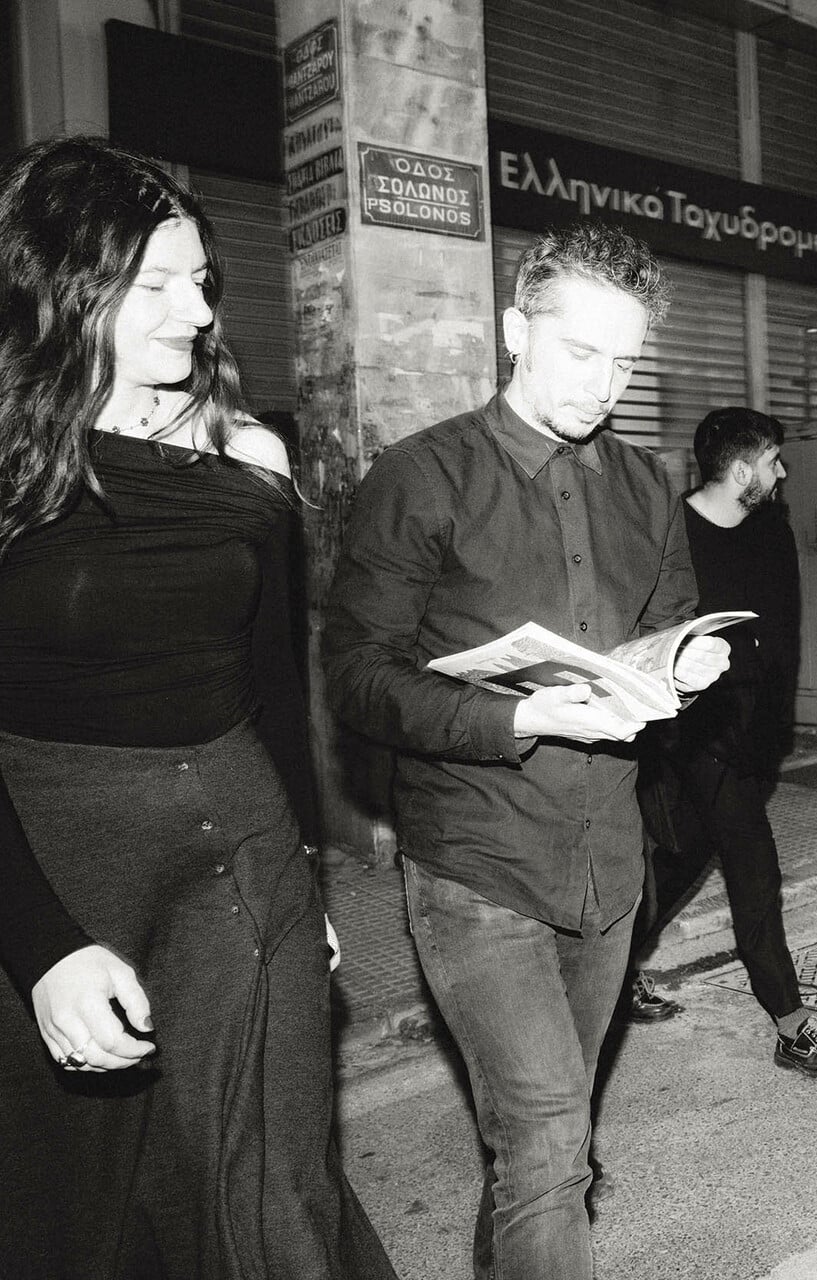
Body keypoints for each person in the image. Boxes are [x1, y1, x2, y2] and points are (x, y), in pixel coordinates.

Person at [0, 137, 396, 1277]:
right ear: (64, 289)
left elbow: (272, 689)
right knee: (78, 1204)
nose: (200, 310)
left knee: (273, 1188)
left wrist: (305, 879)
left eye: (204, 280)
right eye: (157, 284)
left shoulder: (249, 453)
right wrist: (40, 950)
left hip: (242, 851)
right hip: (55, 856)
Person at [321, 220, 727, 1280]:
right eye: (580, 351)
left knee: (541, 1141)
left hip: (606, 871)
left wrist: (683, 666)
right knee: (549, 1140)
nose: (603, 384)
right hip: (476, 864)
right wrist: (519, 718)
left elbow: (666, 627)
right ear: (514, 330)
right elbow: (356, 675)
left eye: (625, 362)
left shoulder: (648, 487)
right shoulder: (421, 477)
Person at [625, 407, 817, 1079]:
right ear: (739, 471)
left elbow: (785, 633)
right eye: (770, 462)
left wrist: (778, 728)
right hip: (693, 733)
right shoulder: (668, 534)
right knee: (754, 866)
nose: (781, 472)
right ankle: (791, 1023)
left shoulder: (770, 530)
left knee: (682, 857)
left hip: (757, 732)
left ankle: (610, 970)